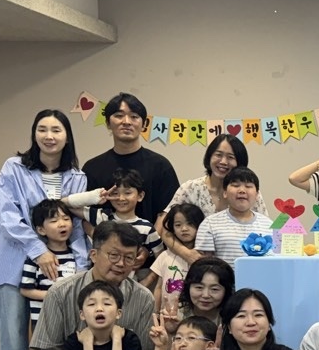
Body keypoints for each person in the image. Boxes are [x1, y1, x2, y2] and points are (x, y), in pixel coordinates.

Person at [0, 109, 91, 350]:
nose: (49, 136)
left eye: (56, 130)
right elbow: (7, 217)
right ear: (34, 134)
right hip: (14, 265)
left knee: (59, 342)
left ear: (67, 136)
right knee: (13, 341)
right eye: (42, 129)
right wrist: (39, 251)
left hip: (61, 270)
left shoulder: (77, 177)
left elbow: (77, 226)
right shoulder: (14, 168)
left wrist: (82, 270)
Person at [31, 220, 155, 350]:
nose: (121, 263)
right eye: (114, 255)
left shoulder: (143, 298)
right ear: (94, 255)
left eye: (129, 258)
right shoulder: (61, 292)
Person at [156, 134, 268, 265]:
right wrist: (187, 254)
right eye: (218, 155)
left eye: (230, 157)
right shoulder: (190, 188)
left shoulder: (248, 194)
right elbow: (163, 227)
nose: (223, 161)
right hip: (190, 266)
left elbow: (266, 230)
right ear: (209, 157)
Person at [82, 93, 179, 224]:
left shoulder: (161, 166)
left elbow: (169, 212)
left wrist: (151, 237)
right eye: (119, 115)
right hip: (103, 237)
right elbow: (85, 215)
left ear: (144, 124)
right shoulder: (92, 168)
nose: (126, 122)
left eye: (134, 116)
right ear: (108, 123)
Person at [60, 280, 144, 350]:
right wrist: (87, 343)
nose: (99, 309)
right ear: (82, 314)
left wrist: (117, 338)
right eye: (91, 304)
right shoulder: (74, 341)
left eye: (107, 304)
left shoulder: (129, 338)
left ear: (118, 313)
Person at [19, 199, 81, 333]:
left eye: (66, 219)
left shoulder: (77, 257)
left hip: (71, 322)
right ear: (41, 230)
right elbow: (25, 290)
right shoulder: (36, 259)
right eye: (54, 221)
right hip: (44, 322)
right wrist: (52, 295)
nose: (62, 224)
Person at [87, 169, 163, 271]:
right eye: (115, 193)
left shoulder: (147, 228)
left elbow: (161, 259)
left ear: (140, 196)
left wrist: (147, 279)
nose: (121, 198)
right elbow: (70, 207)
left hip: (133, 278)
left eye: (127, 193)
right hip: (102, 276)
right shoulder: (103, 217)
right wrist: (98, 197)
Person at [193, 168, 271, 266]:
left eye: (248, 186)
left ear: (257, 194)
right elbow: (203, 266)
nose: (242, 190)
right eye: (235, 185)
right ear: (225, 192)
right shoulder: (209, 224)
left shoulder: (269, 225)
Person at [150, 203, 205, 315]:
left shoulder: (204, 258)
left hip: (195, 318)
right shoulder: (165, 256)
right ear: (172, 229)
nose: (184, 229)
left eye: (190, 224)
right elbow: (159, 287)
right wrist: (156, 312)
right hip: (167, 316)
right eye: (178, 225)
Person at [176, 256, 234, 326]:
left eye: (214, 289)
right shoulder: (176, 315)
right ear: (188, 287)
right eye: (199, 287)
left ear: (226, 291)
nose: (205, 295)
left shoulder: (233, 318)